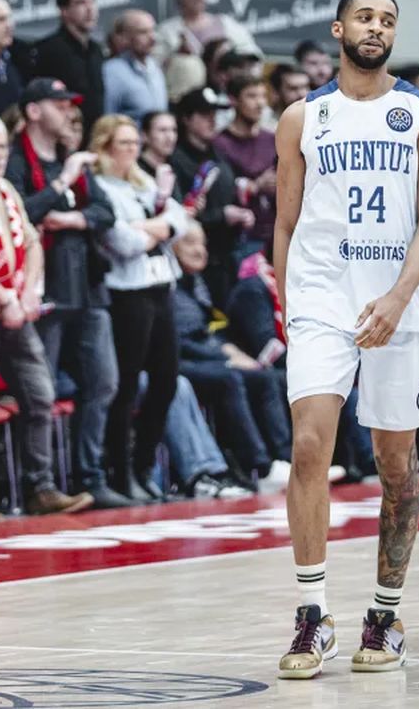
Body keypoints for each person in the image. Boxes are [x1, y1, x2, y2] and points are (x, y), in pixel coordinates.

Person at [272, 0, 419, 679]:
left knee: (396, 466)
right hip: (321, 297)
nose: (377, 27)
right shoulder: (302, 116)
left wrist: (399, 297)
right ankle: (312, 617)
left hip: (397, 298)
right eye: (367, 16)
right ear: (341, 28)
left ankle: (385, 612)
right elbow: (285, 222)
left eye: (388, 20)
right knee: (309, 443)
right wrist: (291, 302)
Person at [0, 112, 94, 521]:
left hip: (14, 309)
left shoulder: (5, 188)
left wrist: (26, 294)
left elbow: (32, 242)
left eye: (2, 148)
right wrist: (3, 297)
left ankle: (40, 488)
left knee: (39, 395)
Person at [5, 79, 128, 509]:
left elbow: (104, 212)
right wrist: (62, 188)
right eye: (59, 104)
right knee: (41, 391)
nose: (68, 112)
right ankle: (39, 482)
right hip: (45, 289)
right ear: (34, 111)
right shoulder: (15, 159)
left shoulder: (68, 157)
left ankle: (90, 476)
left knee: (104, 382)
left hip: (88, 287)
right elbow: (19, 212)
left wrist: (70, 219)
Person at [89, 114, 187, 500]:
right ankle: (121, 469)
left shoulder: (142, 182)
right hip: (128, 291)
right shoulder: (100, 187)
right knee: (127, 383)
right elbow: (122, 241)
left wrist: (153, 227)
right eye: (124, 144)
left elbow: (180, 219)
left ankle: (145, 463)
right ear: (105, 147)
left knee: (166, 381)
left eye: (134, 143)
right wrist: (157, 228)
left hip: (161, 284)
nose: (132, 150)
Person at [169, 221, 290, 491]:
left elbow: (207, 331)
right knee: (230, 378)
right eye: (191, 243)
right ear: (172, 246)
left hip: (206, 356)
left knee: (266, 378)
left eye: (203, 243)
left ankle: (286, 459)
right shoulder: (168, 287)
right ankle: (261, 466)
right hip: (180, 364)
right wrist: (223, 358)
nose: (200, 251)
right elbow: (179, 343)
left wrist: (228, 349)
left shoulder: (198, 283)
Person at [170, 87, 251, 305]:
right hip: (197, 256)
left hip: (227, 253)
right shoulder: (176, 160)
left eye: (214, 115)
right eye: (205, 115)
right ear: (186, 118)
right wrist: (221, 215)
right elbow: (181, 213)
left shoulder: (217, 152)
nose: (212, 120)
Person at [29, 0, 107, 135]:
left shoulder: (96, 50)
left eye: (93, 1)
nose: (90, 9)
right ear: (64, 10)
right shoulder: (49, 50)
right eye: (81, 3)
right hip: (63, 136)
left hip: (95, 135)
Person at [214, 74, 278, 254]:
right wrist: (256, 186)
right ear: (233, 100)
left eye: (262, 96)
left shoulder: (272, 139)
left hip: (275, 232)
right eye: (251, 96)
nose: (260, 103)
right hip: (240, 237)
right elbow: (218, 193)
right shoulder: (220, 144)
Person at [102, 9, 168, 126]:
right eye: (143, 32)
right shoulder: (113, 72)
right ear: (124, 37)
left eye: (153, 30)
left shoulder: (155, 67)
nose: (152, 38)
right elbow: (107, 120)